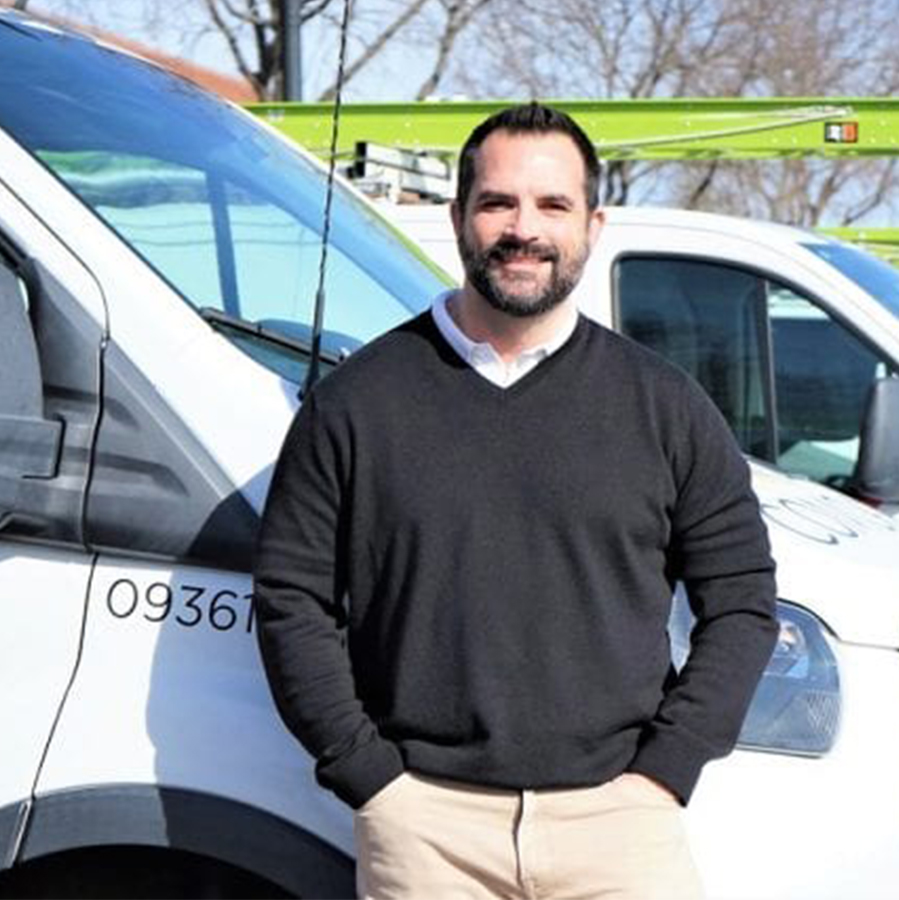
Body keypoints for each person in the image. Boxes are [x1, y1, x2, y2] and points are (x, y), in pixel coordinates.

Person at [253, 102, 779, 900]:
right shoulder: (356, 404)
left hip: (621, 830)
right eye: (498, 202)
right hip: (426, 834)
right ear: (458, 215)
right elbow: (292, 599)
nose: (522, 228)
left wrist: (668, 770)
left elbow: (743, 601)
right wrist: (370, 778)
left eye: (552, 205)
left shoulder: (666, 408)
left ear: (593, 224)